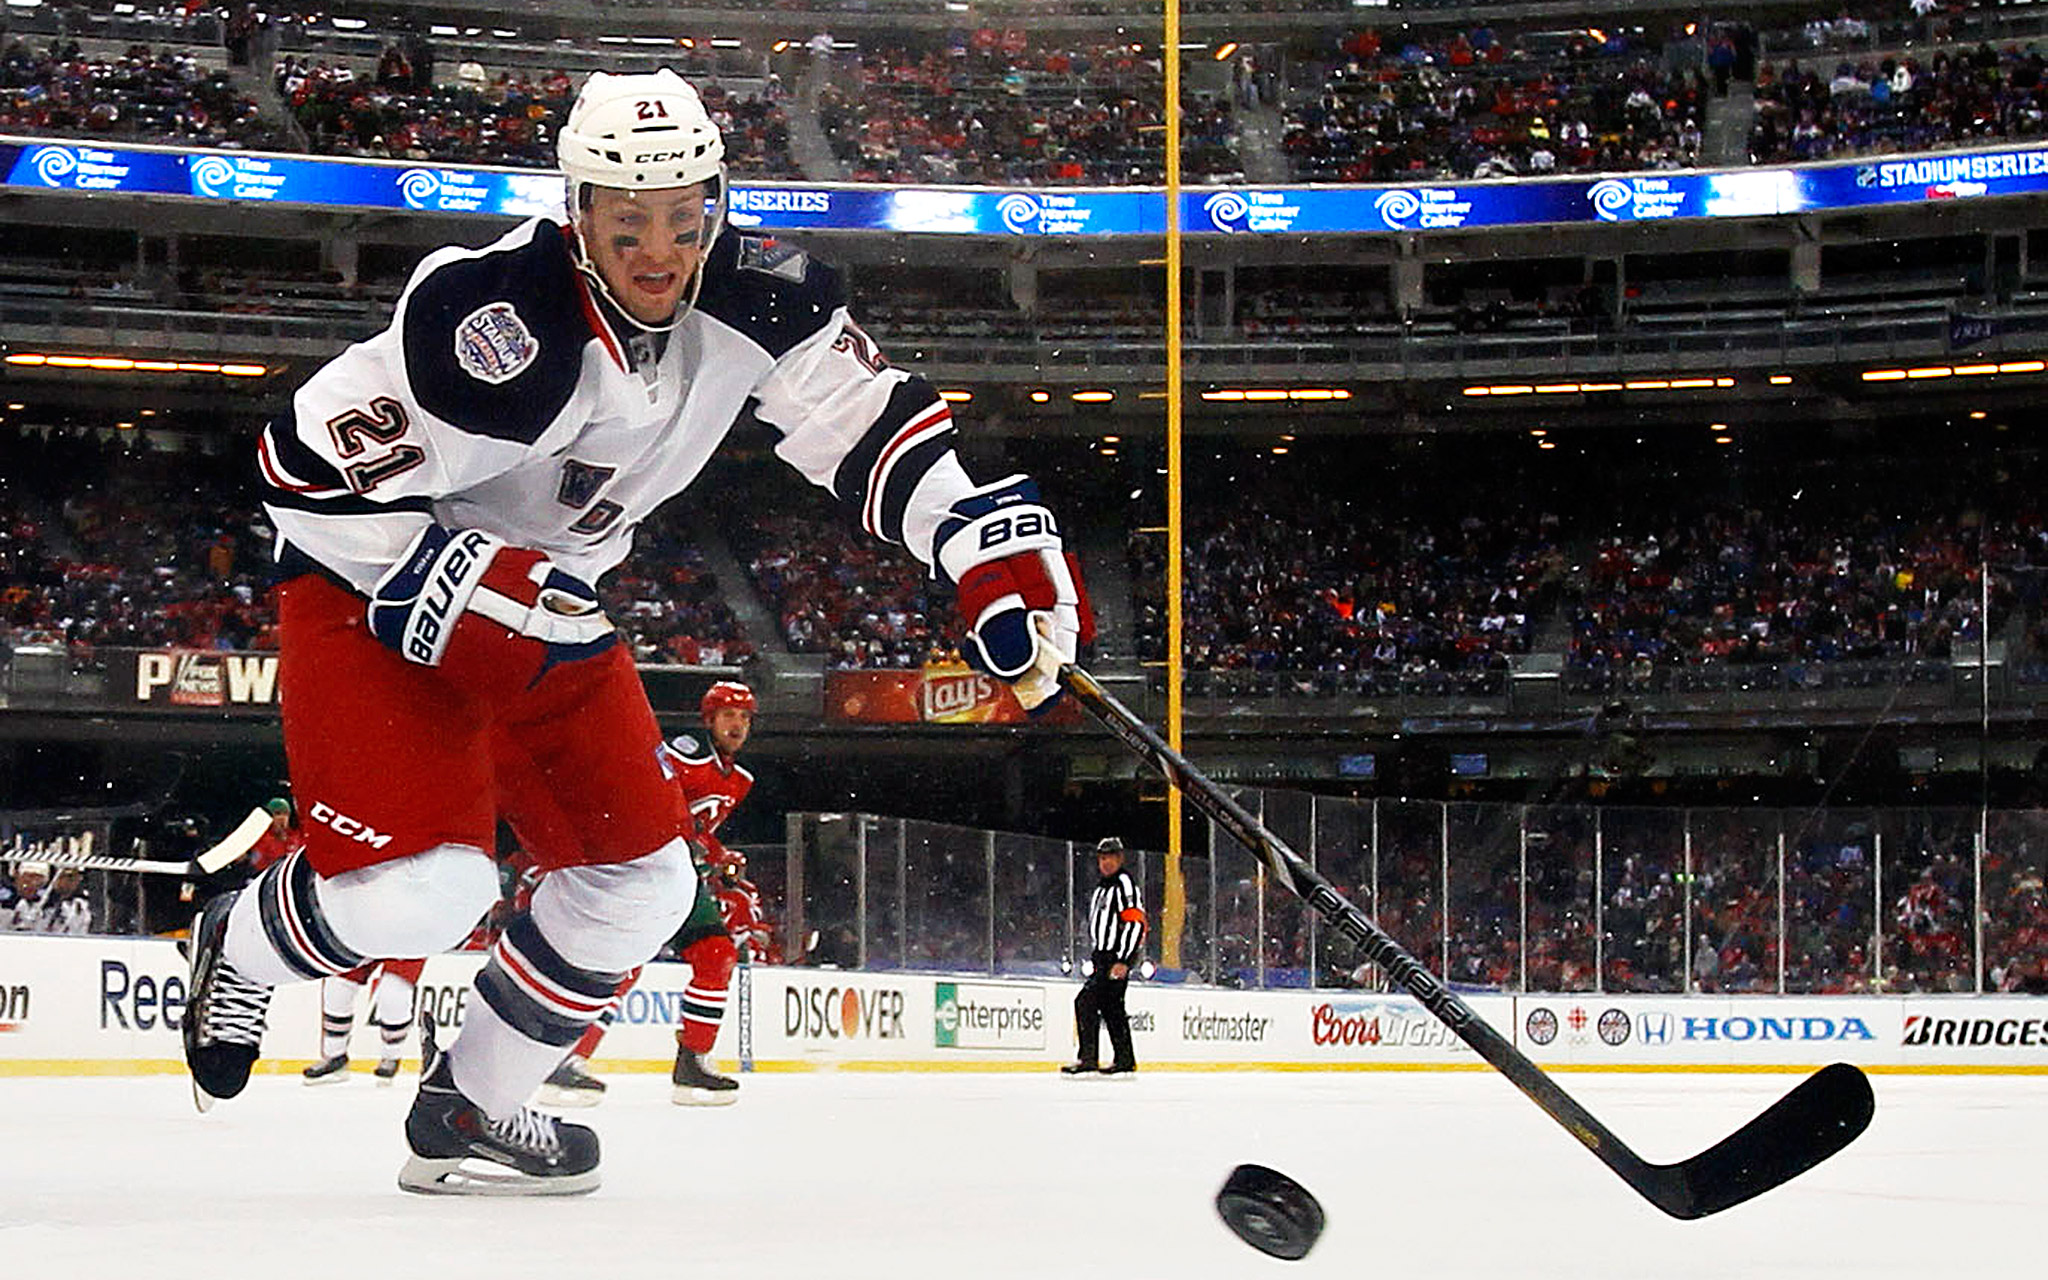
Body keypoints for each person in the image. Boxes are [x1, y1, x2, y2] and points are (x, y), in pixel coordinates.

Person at [188, 66, 1088, 1196]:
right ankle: (248, 939)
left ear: (715, 199)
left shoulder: (763, 298)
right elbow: (297, 470)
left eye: (684, 215)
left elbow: (875, 431)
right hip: (371, 585)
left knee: (644, 885)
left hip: (546, 609)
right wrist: (447, 575)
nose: (660, 249)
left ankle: (471, 1102)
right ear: (578, 213)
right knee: (424, 893)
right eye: (628, 223)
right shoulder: (493, 321)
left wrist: (983, 548)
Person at [536, 679, 763, 1108]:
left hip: (681, 877)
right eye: (728, 715)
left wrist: (718, 853)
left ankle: (692, 1063)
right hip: (646, 865)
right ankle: (566, 1058)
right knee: (625, 963)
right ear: (708, 720)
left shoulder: (739, 780)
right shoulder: (684, 752)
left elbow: (700, 830)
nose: (737, 724)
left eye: (745, 717)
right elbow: (648, 790)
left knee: (715, 955)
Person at [1063, 837, 1145, 1077]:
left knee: (1086, 1002)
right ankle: (1125, 1060)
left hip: (1114, 957)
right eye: (1102, 857)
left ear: (1120, 858)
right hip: (1102, 956)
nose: (1105, 862)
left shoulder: (1123, 885)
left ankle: (1089, 1058)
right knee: (1111, 1007)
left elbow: (1135, 923)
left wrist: (1124, 960)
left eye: (1110, 857)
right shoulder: (1102, 887)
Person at [301, 957, 428, 1085]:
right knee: (338, 986)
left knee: (392, 992)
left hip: (408, 941)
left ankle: (391, 1056)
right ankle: (335, 1056)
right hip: (367, 938)